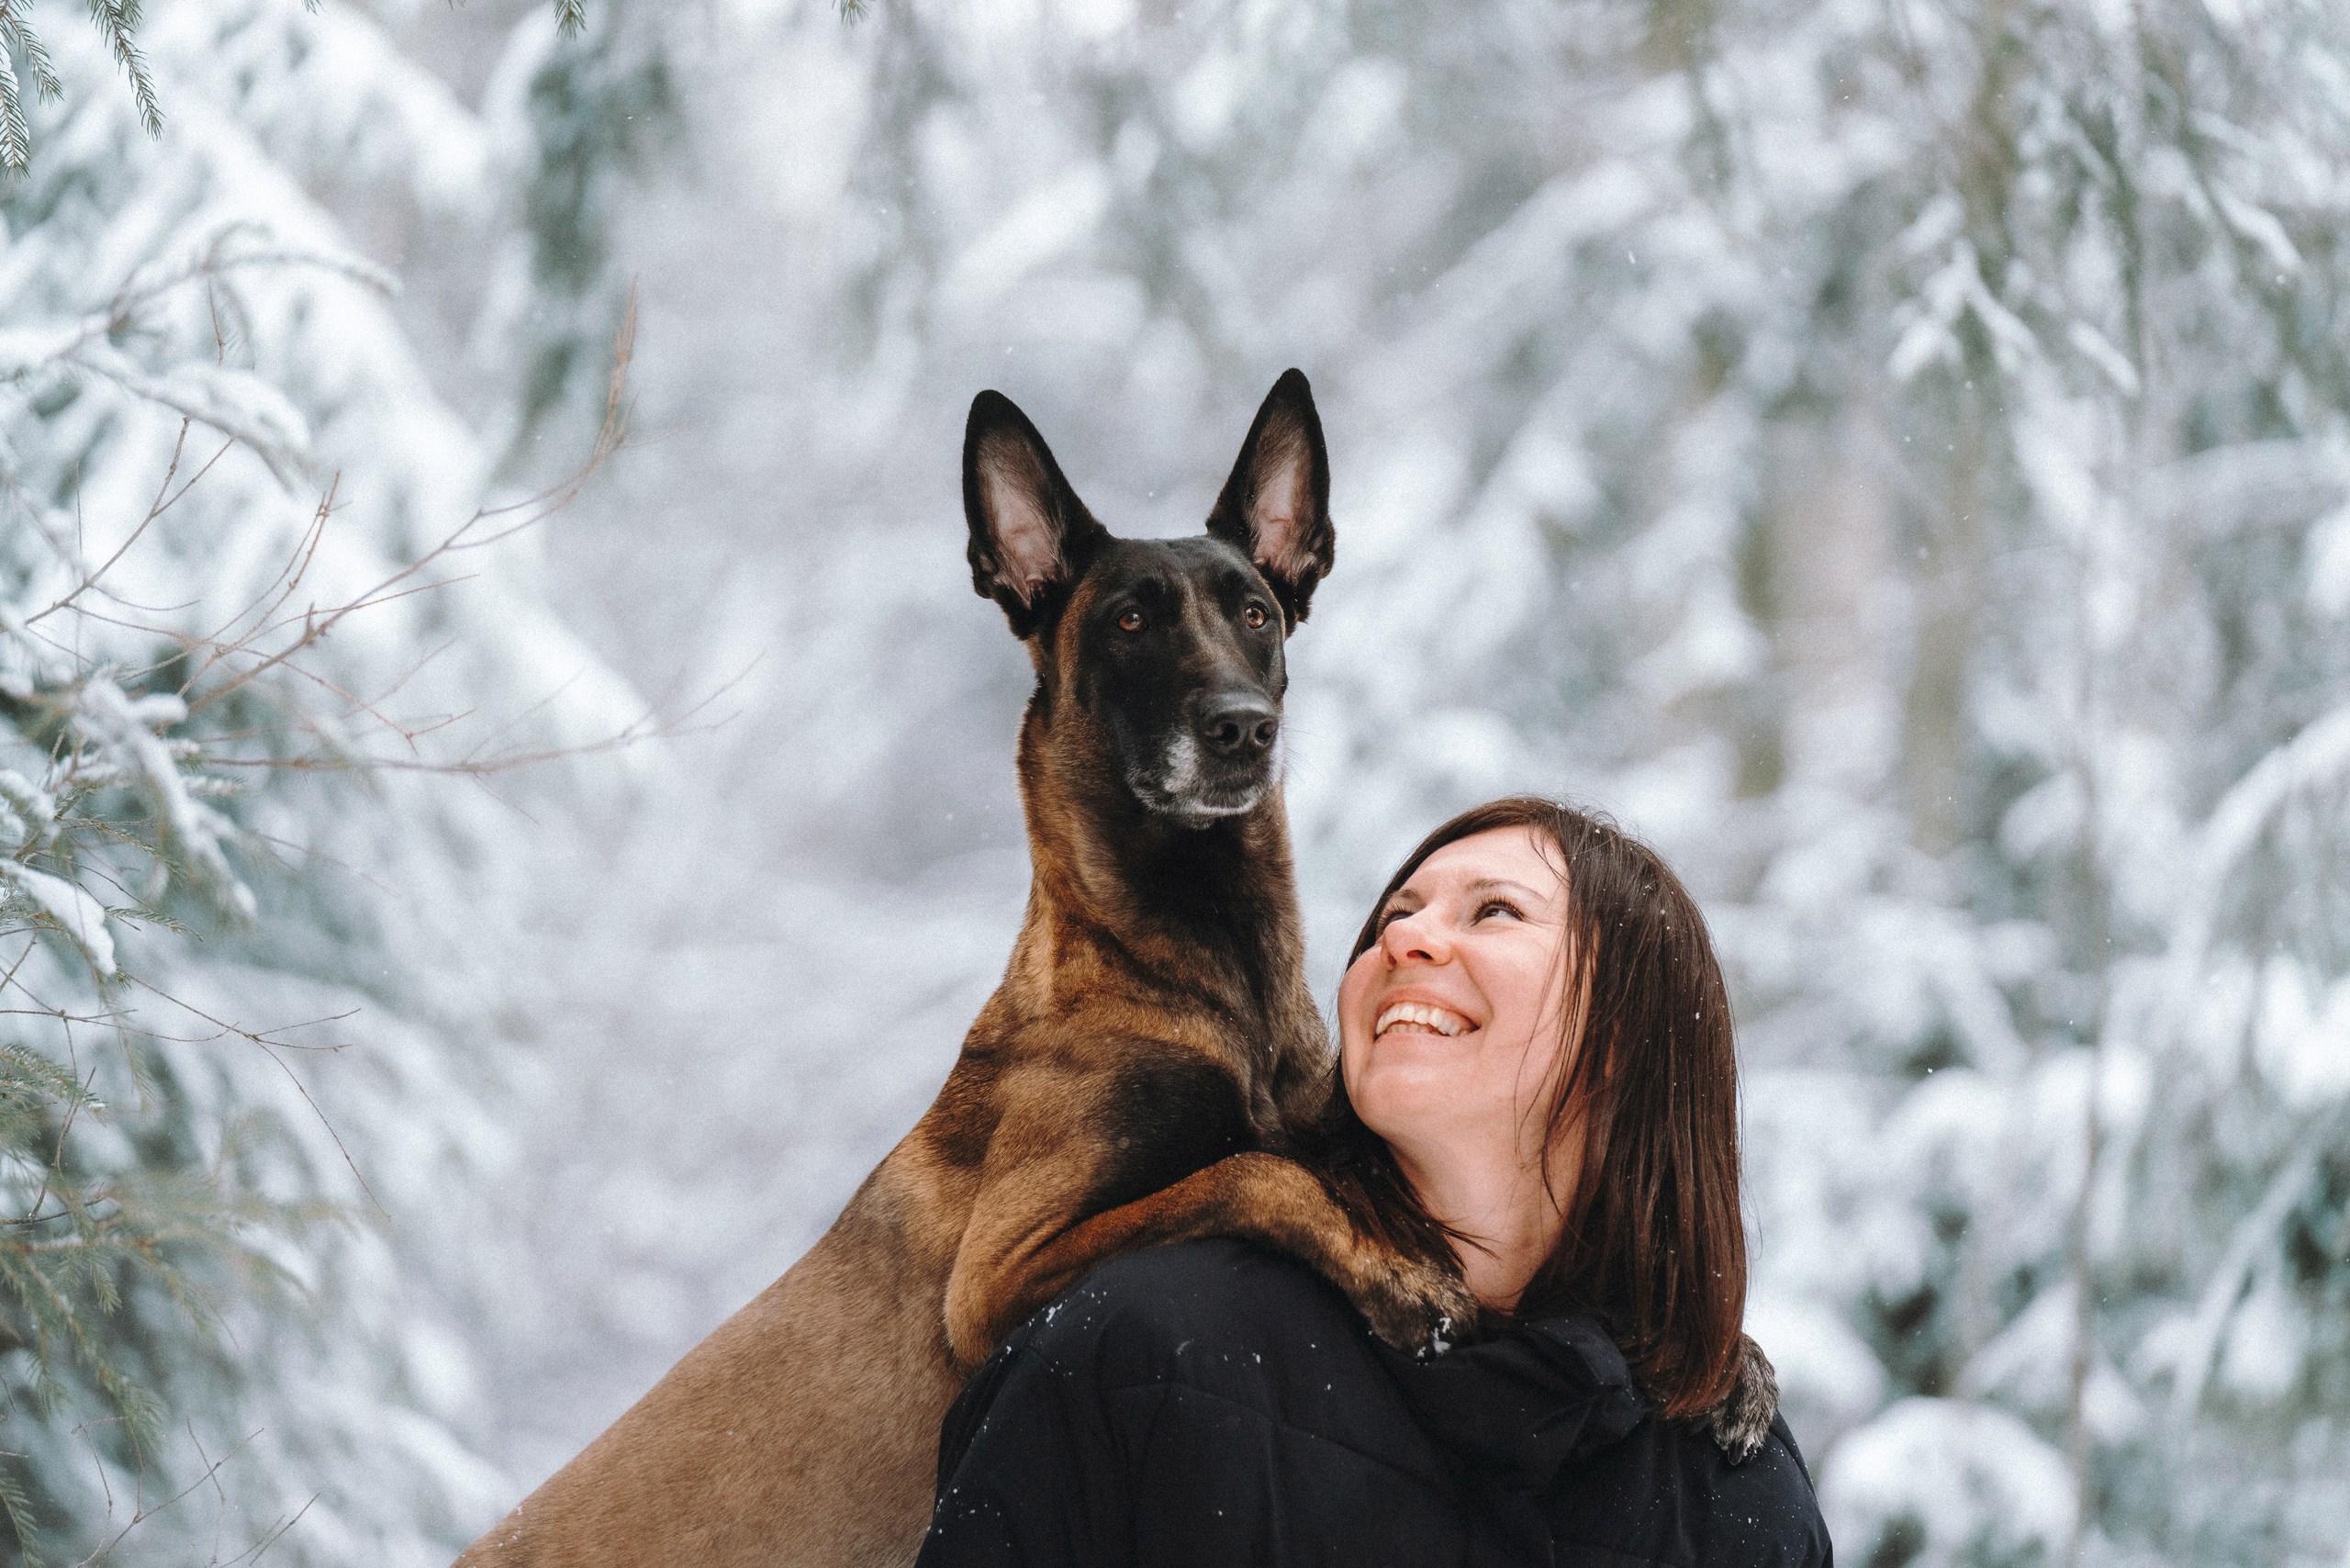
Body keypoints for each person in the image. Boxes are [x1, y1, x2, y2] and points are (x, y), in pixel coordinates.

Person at [917, 798, 1832, 1568]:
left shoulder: (1730, 1486)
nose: (1405, 936)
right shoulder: (1145, 1349)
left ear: (1631, 1034)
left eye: (1494, 911)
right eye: (1396, 911)